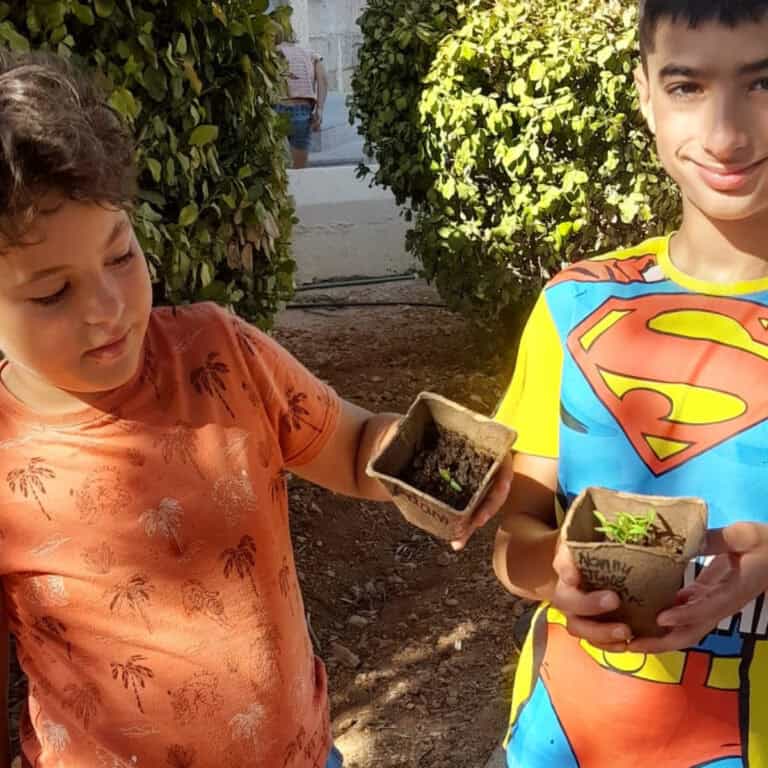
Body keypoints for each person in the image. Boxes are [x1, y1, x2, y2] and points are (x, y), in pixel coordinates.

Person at [0, 51, 512, 768]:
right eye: (53, 294)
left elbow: (354, 441)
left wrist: (420, 462)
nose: (108, 311)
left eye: (121, 256)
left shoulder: (221, 356)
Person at [492, 1, 768, 766]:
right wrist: (557, 576)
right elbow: (513, 538)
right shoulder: (575, 304)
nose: (726, 134)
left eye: (762, 82)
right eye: (686, 86)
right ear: (645, 93)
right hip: (564, 740)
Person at [276, 29, 328, 169]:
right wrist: (320, 110)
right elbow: (323, 80)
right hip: (302, 110)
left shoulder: (272, 53)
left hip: (276, 109)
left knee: (275, 168)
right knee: (299, 168)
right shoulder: (310, 54)